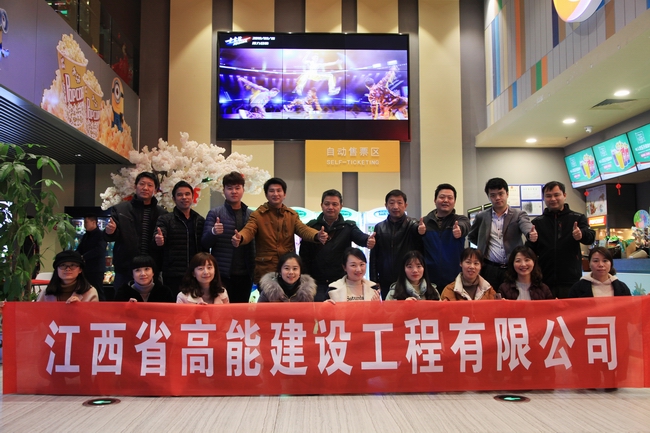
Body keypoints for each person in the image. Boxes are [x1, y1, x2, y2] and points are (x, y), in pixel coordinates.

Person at [232, 177, 327, 283]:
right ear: (266, 194)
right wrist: (240, 237)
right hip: (266, 271)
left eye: (279, 190)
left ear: (284, 194)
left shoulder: (291, 215)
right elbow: (249, 230)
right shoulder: (258, 215)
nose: (275, 194)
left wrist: (316, 235)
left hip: (288, 270)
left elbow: (303, 229)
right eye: (271, 191)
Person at [300, 189, 375, 302]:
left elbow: (360, 237)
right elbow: (303, 256)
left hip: (341, 283)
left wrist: (367, 240)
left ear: (341, 206)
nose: (330, 207)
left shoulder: (348, 227)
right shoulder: (311, 227)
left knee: (341, 312)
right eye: (327, 204)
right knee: (318, 312)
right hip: (316, 284)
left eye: (334, 204)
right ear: (321, 205)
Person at [527, 181, 596, 299]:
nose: (553, 199)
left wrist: (581, 235)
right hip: (544, 280)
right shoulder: (537, 222)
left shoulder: (577, 218)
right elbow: (529, 251)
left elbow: (590, 237)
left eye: (556, 195)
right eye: (548, 196)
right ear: (544, 198)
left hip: (570, 280)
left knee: (569, 310)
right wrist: (531, 240)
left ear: (564, 195)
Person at [468, 178, 537, 290]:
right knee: (489, 297)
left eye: (501, 194)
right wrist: (483, 245)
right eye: (493, 195)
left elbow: (526, 225)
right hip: (489, 268)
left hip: (512, 267)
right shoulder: (481, 216)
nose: (497, 198)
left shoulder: (518, 214)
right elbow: (472, 236)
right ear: (489, 197)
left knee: (512, 296)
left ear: (507, 194)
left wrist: (530, 234)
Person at [104, 171, 167, 291]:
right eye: (142, 184)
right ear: (135, 186)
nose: (145, 188)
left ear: (155, 190)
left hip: (153, 269)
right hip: (125, 268)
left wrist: (162, 241)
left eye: (150, 185)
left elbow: (165, 240)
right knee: (122, 301)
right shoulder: (120, 209)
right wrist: (110, 231)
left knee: (153, 302)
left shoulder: (162, 213)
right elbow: (111, 236)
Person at [202, 172, 255, 303]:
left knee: (241, 310)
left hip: (246, 274)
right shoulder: (215, 213)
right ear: (224, 190)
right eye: (230, 188)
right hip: (222, 274)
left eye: (237, 188)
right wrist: (213, 232)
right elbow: (204, 243)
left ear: (243, 189)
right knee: (221, 310)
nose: (234, 191)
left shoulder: (251, 215)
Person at [154, 180, 206, 294]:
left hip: (196, 273)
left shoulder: (200, 220)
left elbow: (205, 246)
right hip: (173, 274)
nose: (184, 197)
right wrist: (159, 240)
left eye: (187, 194)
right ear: (174, 199)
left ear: (193, 197)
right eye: (180, 195)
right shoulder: (165, 219)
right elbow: (159, 235)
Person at [369, 189, 423, 299]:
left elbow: (419, 235)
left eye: (399, 203)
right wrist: (374, 280)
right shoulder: (379, 227)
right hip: (385, 279)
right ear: (386, 205)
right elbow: (374, 255)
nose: (395, 206)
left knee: (408, 307)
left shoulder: (412, 224)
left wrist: (421, 231)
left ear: (405, 205)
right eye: (392, 203)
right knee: (388, 308)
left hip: (407, 278)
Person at [419, 183, 471, 291]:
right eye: (442, 197)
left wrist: (460, 230)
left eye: (450, 198)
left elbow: (465, 226)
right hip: (429, 281)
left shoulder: (460, 220)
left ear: (454, 201)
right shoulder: (424, 222)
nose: (446, 200)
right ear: (435, 200)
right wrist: (419, 232)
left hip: (454, 280)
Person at [76, 214, 107, 300]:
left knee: (98, 291)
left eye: (86, 222)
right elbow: (80, 248)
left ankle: (101, 307)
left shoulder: (101, 235)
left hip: (96, 269)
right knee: (85, 291)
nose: (85, 225)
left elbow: (99, 250)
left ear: (94, 222)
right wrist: (75, 256)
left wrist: (83, 257)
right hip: (85, 268)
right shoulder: (85, 236)